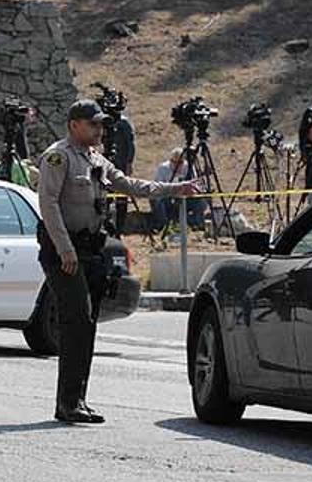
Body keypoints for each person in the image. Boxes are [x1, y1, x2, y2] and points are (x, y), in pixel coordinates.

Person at [37, 100, 202, 424]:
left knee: (86, 324)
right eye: (93, 124)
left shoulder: (95, 158)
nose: (99, 130)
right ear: (74, 125)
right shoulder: (58, 156)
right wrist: (65, 249)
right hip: (65, 252)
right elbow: (49, 204)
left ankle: (77, 400)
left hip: (90, 250)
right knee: (76, 320)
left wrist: (176, 188)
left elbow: (130, 184)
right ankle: (67, 402)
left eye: (101, 124)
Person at [149, 148, 205, 230]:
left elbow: (196, 183)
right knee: (156, 199)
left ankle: (194, 222)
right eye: (175, 163)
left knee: (202, 200)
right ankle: (163, 225)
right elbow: (157, 187)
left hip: (185, 197)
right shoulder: (163, 168)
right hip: (167, 197)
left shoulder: (189, 167)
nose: (178, 165)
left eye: (180, 163)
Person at [108, 111, 136, 234]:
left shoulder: (124, 122)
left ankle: (120, 227)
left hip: (121, 164)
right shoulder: (104, 121)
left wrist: (129, 163)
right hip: (106, 164)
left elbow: (130, 144)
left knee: (122, 198)